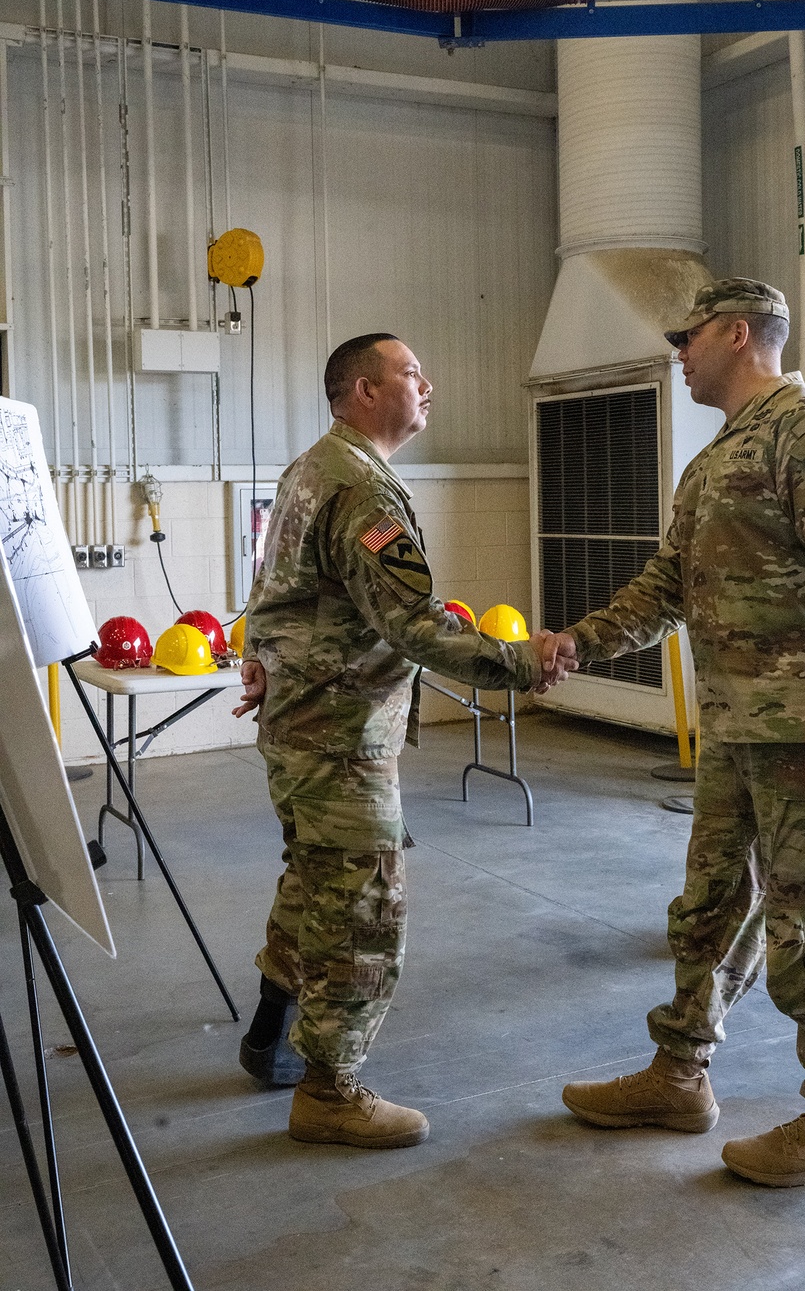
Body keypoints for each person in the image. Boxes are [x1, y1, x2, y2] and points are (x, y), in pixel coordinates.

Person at [539, 278, 805, 1188]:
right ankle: (680, 1074)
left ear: (738, 334)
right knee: (708, 907)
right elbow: (668, 585)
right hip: (738, 729)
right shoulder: (714, 459)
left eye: (689, 334)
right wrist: (577, 642)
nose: (678, 349)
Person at [233, 333, 569, 1150]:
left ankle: (270, 1036)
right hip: (338, 733)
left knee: (315, 881)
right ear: (362, 391)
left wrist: (261, 655)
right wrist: (523, 662)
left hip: (306, 723)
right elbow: (414, 626)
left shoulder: (314, 468)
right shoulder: (361, 488)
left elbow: (273, 590)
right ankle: (330, 1090)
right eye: (411, 374)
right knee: (363, 907)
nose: (429, 385)